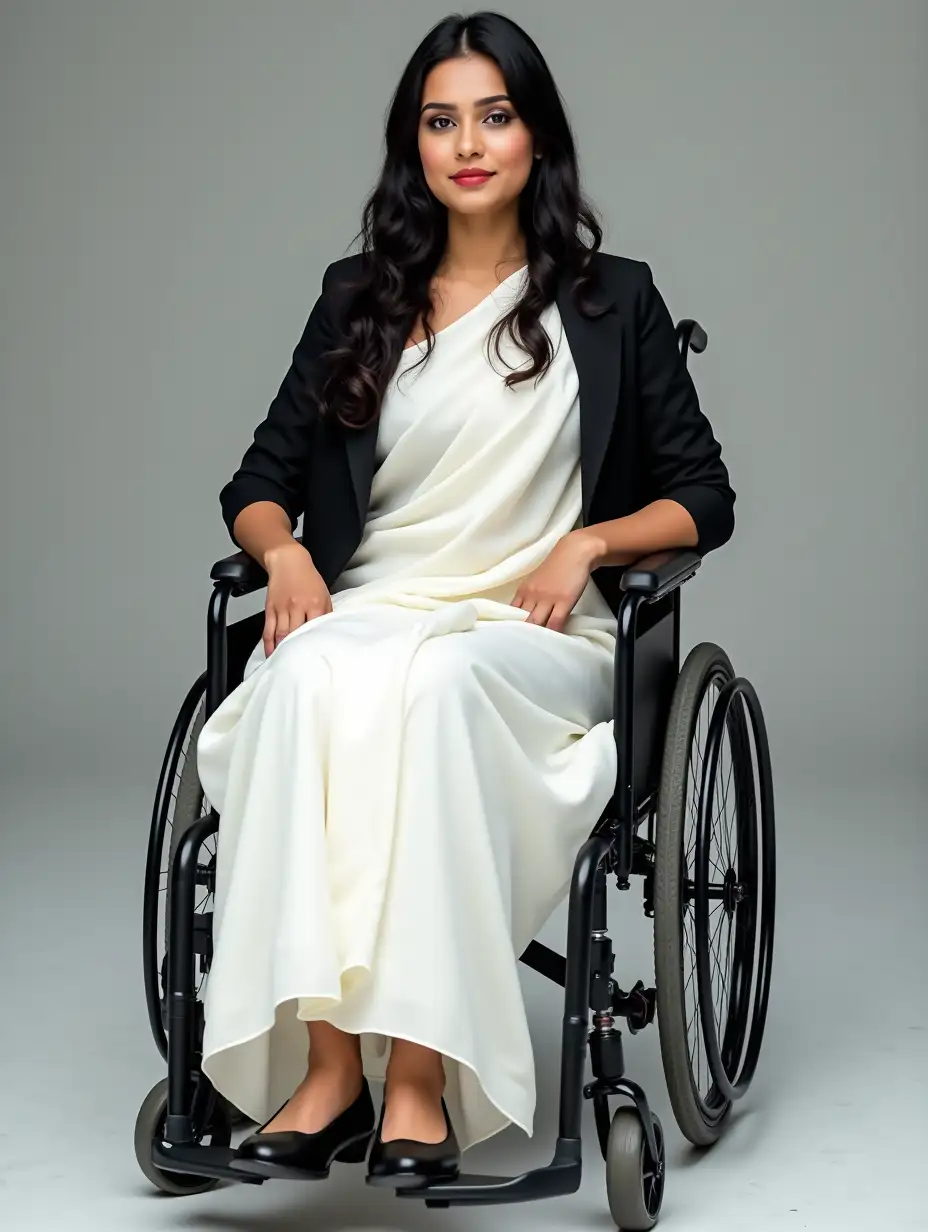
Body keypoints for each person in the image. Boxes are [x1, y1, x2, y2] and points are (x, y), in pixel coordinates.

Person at [194, 9, 735, 1189]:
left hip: (532, 630)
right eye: (442, 121)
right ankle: (331, 1069)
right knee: (301, 679)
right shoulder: (358, 298)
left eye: (494, 115)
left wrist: (586, 539)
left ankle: (423, 1078)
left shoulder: (610, 301)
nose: (469, 143)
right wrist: (284, 554)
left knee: (434, 683)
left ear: (536, 135)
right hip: (373, 606)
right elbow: (257, 481)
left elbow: (703, 496)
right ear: (414, 146)